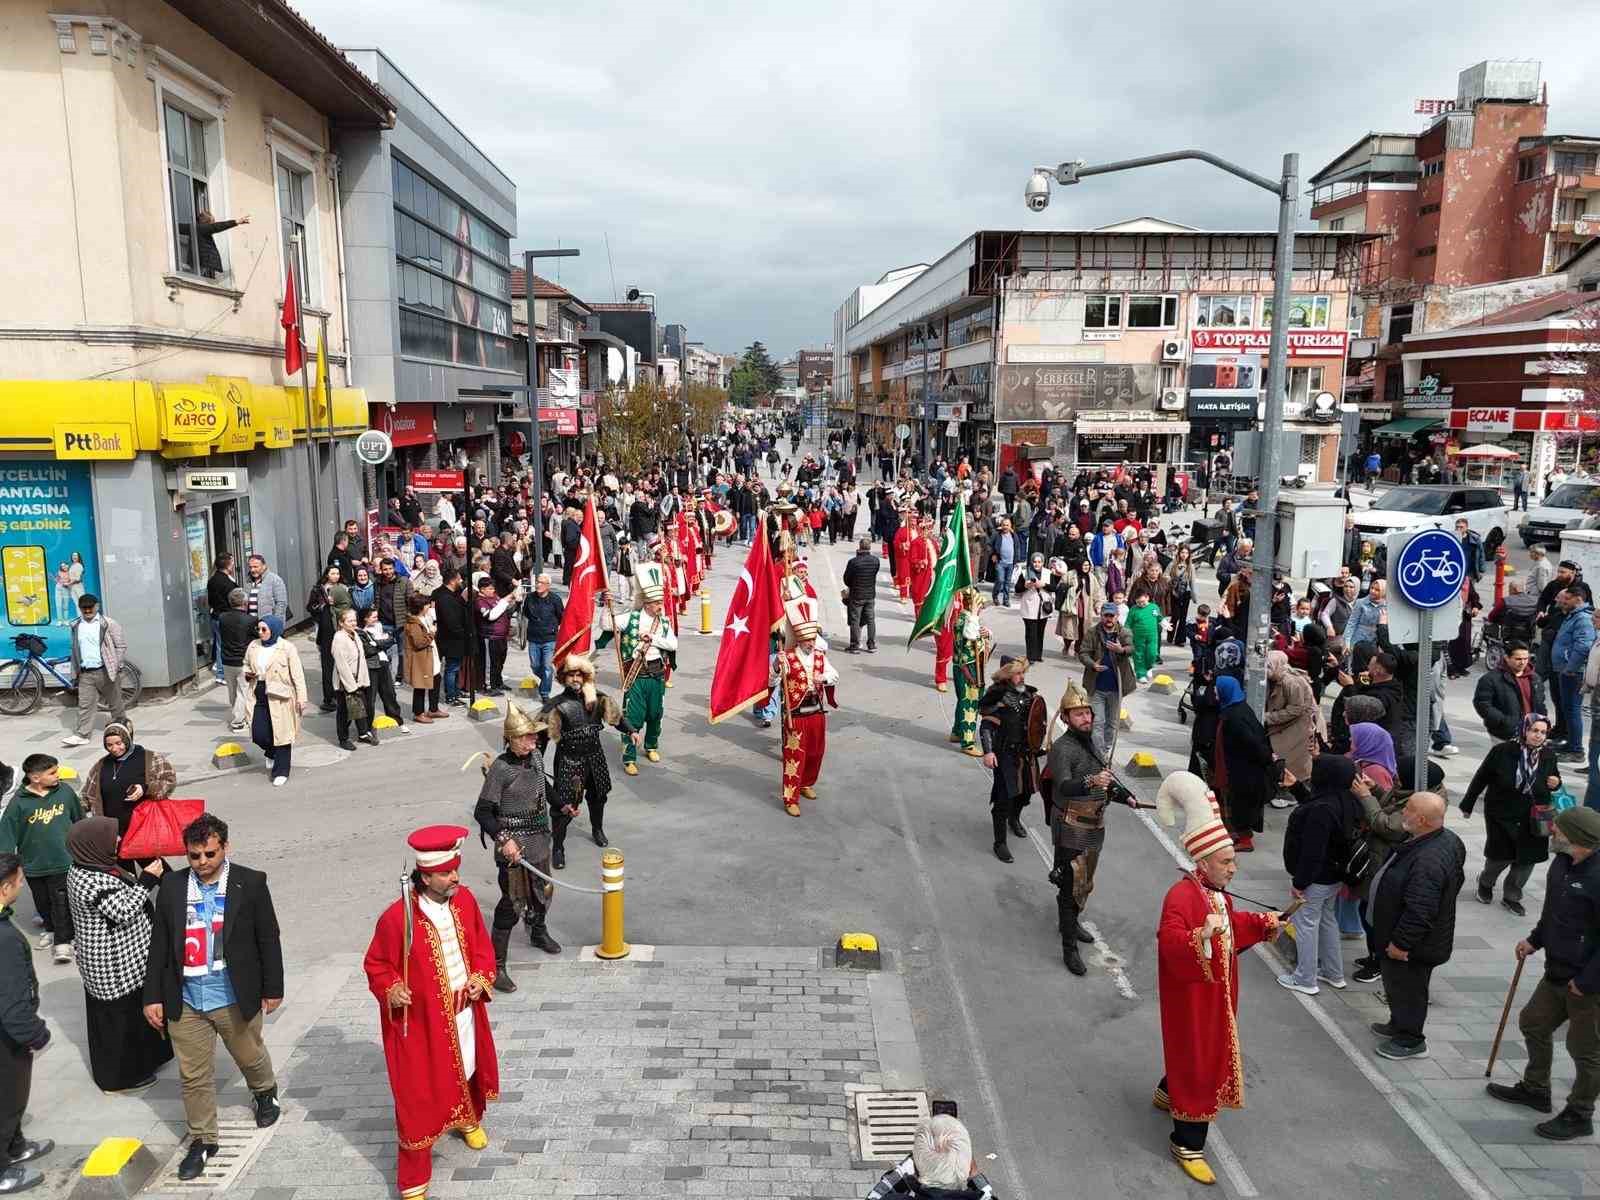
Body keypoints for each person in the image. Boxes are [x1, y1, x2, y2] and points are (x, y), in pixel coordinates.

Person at [1154, 773, 1283, 1185]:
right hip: (1193, 999)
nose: (1233, 867)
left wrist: (1263, 923)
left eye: (1233, 860)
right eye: (1226, 861)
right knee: (1199, 1061)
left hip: (1215, 996)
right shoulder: (1181, 897)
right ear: (1204, 862)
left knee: (1193, 1056)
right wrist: (1199, 937)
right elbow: (1171, 943)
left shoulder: (1216, 894)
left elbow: (1231, 926)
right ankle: (1188, 1143)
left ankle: (1166, 1091)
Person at [144, 813, 283, 1180]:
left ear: (225, 847)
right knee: (193, 1077)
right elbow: (159, 944)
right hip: (187, 998)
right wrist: (152, 996)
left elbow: (268, 937)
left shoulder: (250, 883)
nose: (203, 863)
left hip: (234, 994)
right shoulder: (173, 887)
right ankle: (204, 1140)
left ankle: (265, 1090)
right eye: (194, 856)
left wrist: (273, 987)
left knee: (249, 1055)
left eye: (209, 854)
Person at [362, 826, 499, 1200]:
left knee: (467, 1070)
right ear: (426, 876)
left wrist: (479, 978)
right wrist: (391, 988)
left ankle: (467, 1118)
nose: (455, 877)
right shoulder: (398, 918)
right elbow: (376, 964)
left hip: (465, 1015)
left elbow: (483, 950)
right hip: (422, 1027)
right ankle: (413, 1183)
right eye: (447, 872)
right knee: (418, 1100)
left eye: (456, 869)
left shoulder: (466, 900)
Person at [1488, 805, 1600, 1140]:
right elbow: (1554, 910)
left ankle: (1580, 1113)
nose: (1552, 830)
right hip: (1558, 971)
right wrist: (1535, 939)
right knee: (1533, 1022)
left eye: (1559, 829)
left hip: (1587, 984)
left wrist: (1587, 981)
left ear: (1578, 837)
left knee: (1586, 1051)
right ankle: (1536, 1089)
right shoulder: (1562, 864)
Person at [64, 817, 172, 1093]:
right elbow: (121, 912)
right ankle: (122, 1077)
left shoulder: (94, 865)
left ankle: (149, 1060)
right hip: (112, 965)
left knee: (138, 1015)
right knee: (120, 1024)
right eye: (112, 837)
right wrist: (147, 881)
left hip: (127, 958)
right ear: (93, 844)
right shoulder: (87, 879)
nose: (118, 840)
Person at [1368, 792, 1465, 1060]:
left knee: (1409, 989)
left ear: (1421, 820)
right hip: (1405, 937)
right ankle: (1399, 1024)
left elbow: (1420, 910)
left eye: (1407, 810)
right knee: (1397, 986)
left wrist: (1401, 944)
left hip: (1413, 946)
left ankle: (1411, 1040)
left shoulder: (1428, 860)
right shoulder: (1440, 840)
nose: (1403, 813)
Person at [1047, 683, 1134, 975]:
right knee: (1070, 883)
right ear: (1066, 718)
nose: (1085, 718)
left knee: (1084, 884)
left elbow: (1105, 783)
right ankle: (1068, 947)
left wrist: (1125, 796)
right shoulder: (1062, 749)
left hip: (1094, 825)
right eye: (1078, 714)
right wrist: (1092, 782)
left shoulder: (1091, 744)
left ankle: (1069, 922)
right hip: (1070, 824)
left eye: (1087, 713)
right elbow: (1065, 785)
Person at [474, 704, 560, 987]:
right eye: (529, 737)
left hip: (538, 840)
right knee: (511, 904)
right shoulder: (500, 768)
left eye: (535, 736)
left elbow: (541, 789)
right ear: (512, 738)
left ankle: (537, 932)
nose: (535, 740)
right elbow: (483, 812)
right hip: (512, 845)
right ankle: (496, 966)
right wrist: (505, 839)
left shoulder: (535, 757)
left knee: (542, 893)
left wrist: (563, 804)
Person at [540, 655, 637, 868]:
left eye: (579, 675)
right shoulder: (555, 706)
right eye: (571, 675)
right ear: (563, 678)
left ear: (585, 677)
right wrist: (534, 761)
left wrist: (630, 731)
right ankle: (558, 847)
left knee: (598, 797)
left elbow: (616, 718)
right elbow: (540, 737)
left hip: (595, 757)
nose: (575, 679)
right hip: (569, 762)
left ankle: (597, 829)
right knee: (563, 807)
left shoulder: (597, 698)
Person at [1278, 756, 1363, 996]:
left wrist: (1299, 883)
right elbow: (1317, 805)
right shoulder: (1348, 801)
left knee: (1305, 924)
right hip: (1335, 877)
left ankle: (1305, 978)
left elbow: (1312, 851)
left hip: (1316, 878)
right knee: (1327, 920)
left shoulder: (1322, 809)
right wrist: (1297, 787)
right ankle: (1333, 973)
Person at [1460, 713, 1561, 916]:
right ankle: (1486, 882)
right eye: (1534, 730)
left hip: (1535, 814)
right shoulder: (1503, 751)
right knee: (1500, 855)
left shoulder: (1548, 754)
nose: (1539, 736)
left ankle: (1512, 896)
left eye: (1543, 732)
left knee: (1527, 859)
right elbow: (1481, 777)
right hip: (1502, 811)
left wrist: (1556, 782)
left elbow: (1554, 777)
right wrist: (1468, 804)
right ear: (1524, 730)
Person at [0, 851, 53, 1196]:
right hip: (7, 1039)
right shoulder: (3, 940)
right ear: (5, 887)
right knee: (7, 1100)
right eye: (19, 881)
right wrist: (37, 1034)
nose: (22, 885)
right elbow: (11, 1002)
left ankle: (15, 1146)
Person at [0, 754, 83, 964]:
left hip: (63, 860)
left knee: (61, 901)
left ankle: (64, 941)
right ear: (36, 777)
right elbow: (7, 836)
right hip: (33, 864)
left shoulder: (64, 792)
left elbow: (79, 819)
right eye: (53, 773)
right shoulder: (18, 803)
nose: (58, 775)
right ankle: (51, 929)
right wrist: (8, 865)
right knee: (42, 901)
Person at [608, 564, 677, 777]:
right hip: (636, 676)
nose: (660, 605)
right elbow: (606, 624)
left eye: (660, 602)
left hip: (656, 676)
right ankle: (629, 758)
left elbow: (673, 645)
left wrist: (653, 638)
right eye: (657, 602)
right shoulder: (631, 618)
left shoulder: (664, 623)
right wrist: (607, 605)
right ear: (647, 603)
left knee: (655, 714)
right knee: (633, 718)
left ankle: (651, 746)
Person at [773, 594, 839, 816]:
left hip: (817, 711)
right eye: (807, 640)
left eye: (813, 639)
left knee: (816, 752)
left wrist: (825, 679)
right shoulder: (788, 658)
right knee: (795, 756)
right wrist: (776, 665)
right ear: (799, 639)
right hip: (796, 714)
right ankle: (790, 797)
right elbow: (772, 680)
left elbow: (834, 674)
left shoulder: (820, 656)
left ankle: (806, 783)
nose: (811, 643)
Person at [81, 721, 177, 858]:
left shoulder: (149, 758)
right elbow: (88, 796)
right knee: (123, 874)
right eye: (109, 745)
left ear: (127, 739)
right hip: (114, 834)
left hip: (142, 828)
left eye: (118, 743)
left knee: (154, 868)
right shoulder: (101, 765)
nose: (114, 749)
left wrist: (145, 788)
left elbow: (169, 781)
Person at [978, 656, 1040, 863]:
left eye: (1023, 672)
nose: (1022, 677)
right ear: (1007, 674)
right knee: (1004, 799)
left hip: (1027, 754)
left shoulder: (1030, 694)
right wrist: (988, 751)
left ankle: (1014, 819)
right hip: (1005, 754)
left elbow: (1036, 722)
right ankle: (1000, 843)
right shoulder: (997, 696)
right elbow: (986, 726)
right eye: (1017, 673)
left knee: (1025, 795)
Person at [240, 616, 308, 787]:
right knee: (258, 733)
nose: (261, 633)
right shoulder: (254, 646)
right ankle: (271, 751)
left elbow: (297, 675)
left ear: (274, 630)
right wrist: (248, 673)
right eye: (259, 629)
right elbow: (246, 664)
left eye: (264, 629)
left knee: (283, 734)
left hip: (281, 696)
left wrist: (301, 698)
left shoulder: (286, 648)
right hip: (259, 692)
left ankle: (281, 771)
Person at [1213, 676, 1274, 852]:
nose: (1215, 692)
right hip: (1241, 766)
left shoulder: (1235, 717)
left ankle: (1245, 840)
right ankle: (1239, 833)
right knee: (1239, 801)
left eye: (1217, 689)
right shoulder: (1237, 708)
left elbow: (1252, 742)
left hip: (1244, 770)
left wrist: (1267, 757)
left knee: (1241, 803)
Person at [61, 594, 128, 747]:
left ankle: (122, 730)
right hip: (85, 672)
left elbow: (121, 646)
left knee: (115, 703)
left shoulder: (108, 623)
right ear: (80, 608)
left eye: (90, 606)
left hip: (106, 670)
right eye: (84, 607)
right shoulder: (75, 625)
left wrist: (116, 664)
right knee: (85, 705)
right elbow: (75, 649)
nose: (87, 610)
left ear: (97, 606)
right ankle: (82, 735)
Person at [1078, 602, 1135, 758]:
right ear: (1102, 616)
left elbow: (1131, 648)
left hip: (1117, 688)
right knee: (1097, 722)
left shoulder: (1124, 632)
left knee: (1112, 723)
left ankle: (1105, 749)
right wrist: (1092, 664)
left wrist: (1121, 650)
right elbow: (1083, 653)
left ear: (1117, 617)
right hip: (1096, 687)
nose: (1109, 619)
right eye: (1106, 615)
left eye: (1112, 616)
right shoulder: (1092, 632)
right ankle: (1099, 755)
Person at [1264, 649, 1319, 794]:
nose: (1266, 670)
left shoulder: (1292, 682)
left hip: (1297, 728)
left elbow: (1297, 708)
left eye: (1269, 666)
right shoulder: (1279, 678)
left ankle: (1291, 791)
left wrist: (1268, 717)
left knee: (1293, 762)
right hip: (1288, 727)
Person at [1552, 586, 1596, 763]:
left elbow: (1583, 646)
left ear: (1578, 599)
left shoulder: (1583, 619)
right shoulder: (1573, 615)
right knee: (1568, 709)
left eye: (1567, 598)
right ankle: (1571, 744)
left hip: (1573, 673)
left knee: (1573, 710)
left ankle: (1577, 750)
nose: (1564, 601)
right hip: (1566, 669)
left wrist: (1570, 667)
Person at [1475, 641, 1545, 742]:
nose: (1523, 662)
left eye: (1526, 659)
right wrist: (1504, 721)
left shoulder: (1535, 678)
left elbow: (1540, 703)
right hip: (1504, 733)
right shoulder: (1491, 679)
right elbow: (1482, 704)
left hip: (1531, 733)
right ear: (1506, 658)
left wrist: (1542, 722)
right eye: (1518, 659)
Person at [330, 607, 375, 751]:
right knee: (344, 711)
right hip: (345, 682)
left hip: (358, 679)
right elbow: (341, 665)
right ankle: (343, 738)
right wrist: (351, 685)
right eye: (349, 621)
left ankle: (363, 733)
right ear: (341, 623)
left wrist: (362, 680)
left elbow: (361, 659)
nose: (353, 623)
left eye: (354, 620)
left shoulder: (354, 634)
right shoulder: (339, 638)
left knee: (360, 706)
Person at [217, 588, 256, 732]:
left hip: (227, 660)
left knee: (232, 691)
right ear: (245, 603)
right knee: (243, 690)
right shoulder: (251, 620)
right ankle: (238, 720)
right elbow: (256, 637)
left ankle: (238, 715)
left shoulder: (222, 617)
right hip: (243, 661)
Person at [404, 593, 445, 723]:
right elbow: (419, 643)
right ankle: (418, 713)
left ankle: (433, 709)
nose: (429, 606)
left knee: (436, 678)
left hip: (431, 655)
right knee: (420, 685)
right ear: (421, 607)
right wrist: (432, 633)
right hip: (421, 658)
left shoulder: (424, 617)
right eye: (427, 604)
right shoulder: (414, 624)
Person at [521, 574, 563, 701]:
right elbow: (526, 613)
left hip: (549, 638)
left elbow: (561, 616)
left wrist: (552, 627)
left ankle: (544, 693)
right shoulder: (530, 598)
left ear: (548, 586)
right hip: (534, 637)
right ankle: (547, 679)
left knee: (547, 667)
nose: (539, 585)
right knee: (535, 666)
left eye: (542, 583)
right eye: (538, 582)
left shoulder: (555, 599)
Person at [842, 537, 879, 653]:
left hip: (857, 595)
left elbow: (847, 579)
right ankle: (871, 644)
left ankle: (854, 645)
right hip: (870, 594)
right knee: (871, 620)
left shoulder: (853, 562)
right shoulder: (875, 560)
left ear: (859, 547)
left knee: (855, 620)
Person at [1015, 552, 1052, 664]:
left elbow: (1055, 588)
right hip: (1029, 607)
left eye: (1039, 562)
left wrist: (1044, 585)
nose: (1037, 564)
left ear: (1043, 562)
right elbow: (1017, 589)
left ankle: (1038, 655)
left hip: (1043, 608)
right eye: (1035, 562)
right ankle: (1030, 656)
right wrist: (1025, 586)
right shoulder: (1025, 572)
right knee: (1031, 633)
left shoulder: (1048, 573)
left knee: (1040, 632)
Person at [205, 553, 236, 685]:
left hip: (215, 616)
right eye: (232, 562)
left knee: (219, 644)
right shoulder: (228, 582)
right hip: (226, 617)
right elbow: (234, 599)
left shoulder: (212, 580)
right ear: (228, 565)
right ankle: (222, 674)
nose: (234, 565)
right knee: (225, 646)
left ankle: (219, 669)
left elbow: (211, 600)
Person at [1125, 586, 1162, 680]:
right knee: (1139, 655)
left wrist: (1165, 624)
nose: (1141, 604)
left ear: (1147, 598)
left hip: (1152, 637)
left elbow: (1159, 618)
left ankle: (1148, 667)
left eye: (1143, 602)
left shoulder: (1154, 607)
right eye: (1138, 602)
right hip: (1137, 638)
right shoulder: (1133, 610)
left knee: (1152, 653)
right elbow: (1128, 623)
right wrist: (1125, 635)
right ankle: (1141, 674)